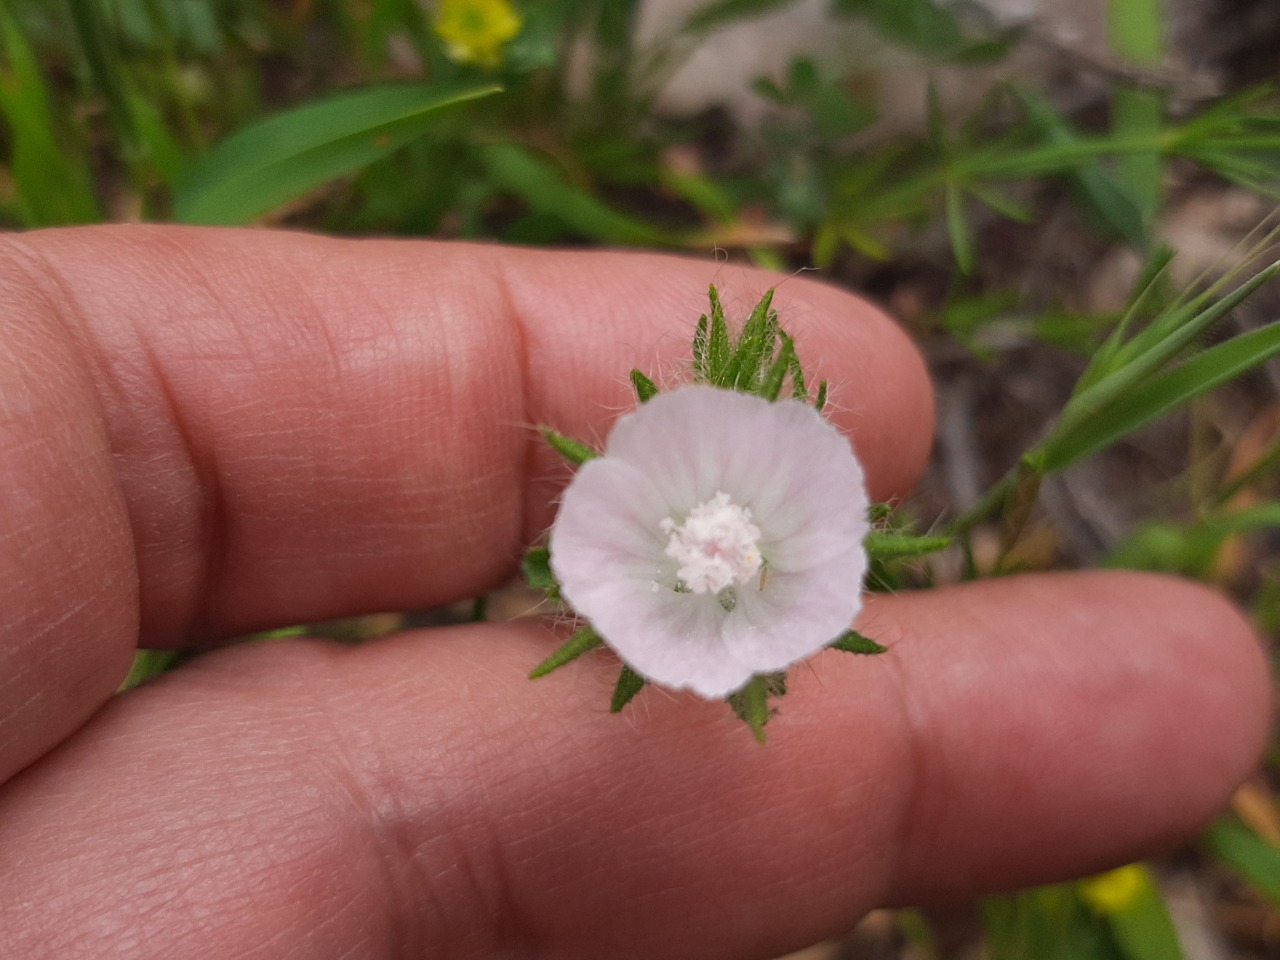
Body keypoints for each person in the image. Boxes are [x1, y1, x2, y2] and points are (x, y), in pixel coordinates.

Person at [0, 225, 1268, 959]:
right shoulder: (633, 515)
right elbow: (617, 530)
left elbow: (804, 524)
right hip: (651, 579)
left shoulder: (793, 534)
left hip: (736, 592)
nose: (723, 546)